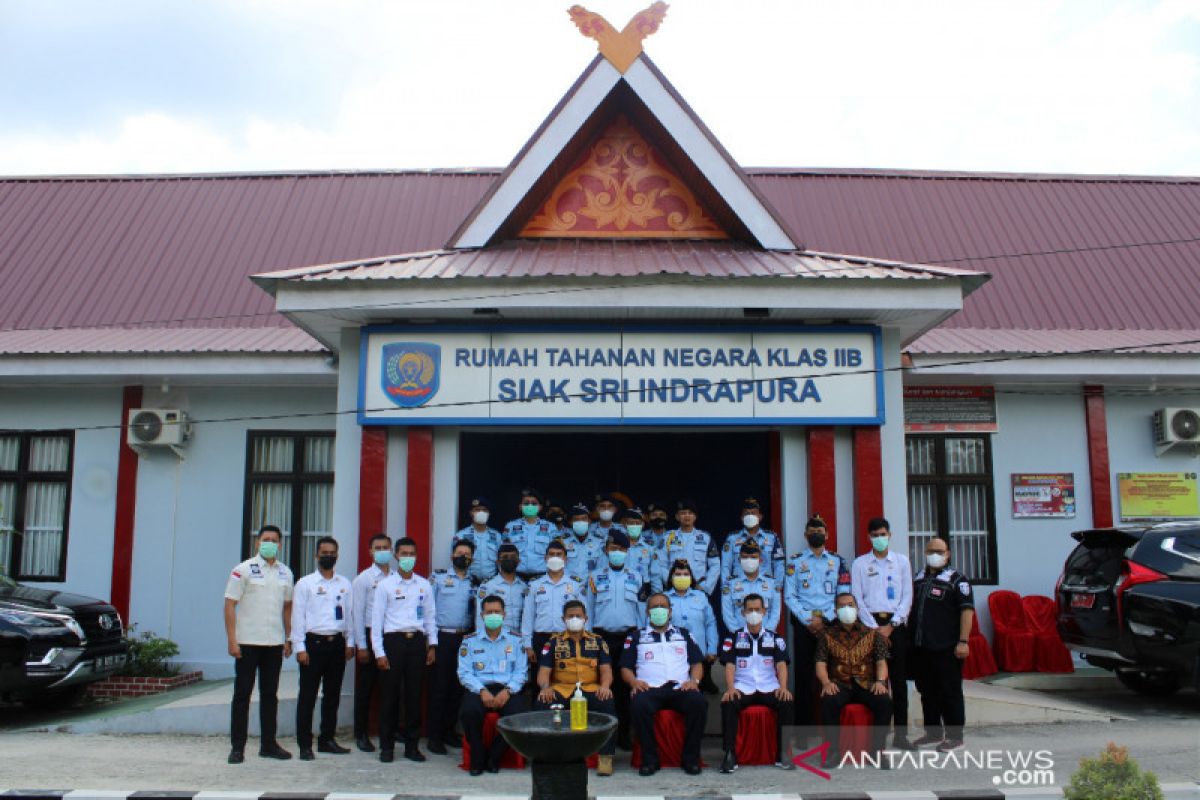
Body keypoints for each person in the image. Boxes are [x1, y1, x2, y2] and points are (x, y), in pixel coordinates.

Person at [223, 524, 294, 764]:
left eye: (274, 540)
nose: (270, 543)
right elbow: (230, 605)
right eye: (266, 539)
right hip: (247, 643)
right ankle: (237, 748)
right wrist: (232, 640)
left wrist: (289, 637)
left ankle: (268, 744)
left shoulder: (286, 573)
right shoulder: (242, 570)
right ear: (257, 542)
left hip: (273, 643)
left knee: (270, 695)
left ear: (280, 545)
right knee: (242, 695)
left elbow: (287, 608)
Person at [620, 593, 708, 776]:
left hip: (680, 688)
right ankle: (650, 760)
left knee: (699, 702)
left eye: (663, 606)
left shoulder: (683, 634)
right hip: (649, 689)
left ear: (670, 611)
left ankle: (691, 760)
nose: (659, 609)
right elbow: (625, 668)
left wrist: (694, 681)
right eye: (654, 606)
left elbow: (697, 663)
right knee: (638, 704)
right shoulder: (636, 637)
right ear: (647, 612)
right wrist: (634, 682)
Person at [371, 537, 437, 763]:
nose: (408, 558)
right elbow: (376, 621)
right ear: (396, 556)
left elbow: (430, 617)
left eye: (412, 554)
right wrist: (379, 652)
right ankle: (387, 747)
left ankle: (412, 747)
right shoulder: (385, 585)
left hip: (417, 643)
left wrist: (432, 645)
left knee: (414, 697)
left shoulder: (423, 584)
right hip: (393, 643)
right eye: (404, 554)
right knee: (390, 698)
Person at [850, 517, 914, 749]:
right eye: (875, 535)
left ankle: (901, 735)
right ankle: (877, 736)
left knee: (898, 682)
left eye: (883, 534)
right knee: (875, 682)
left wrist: (892, 625)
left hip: (895, 626)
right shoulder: (859, 564)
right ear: (869, 537)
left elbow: (907, 595)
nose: (879, 538)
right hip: (869, 627)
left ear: (890, 535)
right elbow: (856, 598)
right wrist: (874, 629)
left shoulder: (901, 562)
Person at [535, 600, 618, 776]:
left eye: (578, 616)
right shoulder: (554, 642)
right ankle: (547, 757)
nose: (574, 619)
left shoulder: (597, 641)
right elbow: (543, 671)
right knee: (543, 701)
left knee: (607, 702)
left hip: (590, 688)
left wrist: (605, 686)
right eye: (570, 616)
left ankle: (605, 757)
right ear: (563, 619)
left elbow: (606, 670)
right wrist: (545, 687)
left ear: (586, 618)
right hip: (562, 688)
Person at [290, 536, 354, 760]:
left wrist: (350, 643)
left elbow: (350, 616)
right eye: (324, 553)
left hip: (336, 644)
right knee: (307, 697)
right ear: (316, 556)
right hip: (313, 645)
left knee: (332, 696)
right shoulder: (305, 584)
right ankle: (304, 744)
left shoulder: (344, 584)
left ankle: (327, 739)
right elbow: (297, 617)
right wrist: (299, 647)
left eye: (332, 553)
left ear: (337, 555)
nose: (328, 556)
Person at [909, 537, 974, 752]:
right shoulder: (918, 577)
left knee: (950, 691)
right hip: (922, 647)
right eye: (930, 551)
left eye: (938, 551)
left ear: (948, 554)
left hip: (947, 647)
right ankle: (933, 732)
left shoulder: (957, 580)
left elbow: (967, 611)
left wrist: (963, 641)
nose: (934, 554)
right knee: (927, 691)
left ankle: (955, 736)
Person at [718, 594, 795, 774]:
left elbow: (782, 665)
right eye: (750, 610)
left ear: (764, 612)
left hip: (769, 687)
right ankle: (729, 754)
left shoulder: (776, 638)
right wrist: (730, 688)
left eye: (757, 610)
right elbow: (729, 666)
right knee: (728, 703)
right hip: (742, 687)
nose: (754, 613)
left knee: (787, 702)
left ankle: (783, 753)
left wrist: (783, 688)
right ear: (743, 612)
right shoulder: (733, 637)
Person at [783, 515, 848, 726]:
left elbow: (843, 593)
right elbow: (789, 596)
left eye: (820, 530)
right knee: (803, 677)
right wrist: (808, 620)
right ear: (805, 535)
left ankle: (829, 728)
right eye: (812, 530)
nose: (816, 533)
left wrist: (825, 618)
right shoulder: (795, 561)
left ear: (827, 535)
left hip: (830, 624)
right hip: (805, 626)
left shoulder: (838, 561)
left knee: (832, 675)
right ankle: (804, 728)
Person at [815, 592, 893, 767]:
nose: (846, 609)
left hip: (866, 683)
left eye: (850, 605)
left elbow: (881, 662)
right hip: (839, 684)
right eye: (842, 606)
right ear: (836, 611)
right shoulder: (826, 635)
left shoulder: (872, 634)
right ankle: (834, 752)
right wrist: (826, 683)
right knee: (829, 701)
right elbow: (820, 663)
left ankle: (877, 751)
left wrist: (880, 682)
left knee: (884, 702)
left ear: (857, 608)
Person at [588, 529, 649, 752]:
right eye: (613, 549)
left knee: (625, 688)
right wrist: (589, 637)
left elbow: (641, 610)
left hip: (628, 637)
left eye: (622, 549)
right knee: (603, 687)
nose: (617, 553)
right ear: (606, 550)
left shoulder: (636, 576)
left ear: (627, 551)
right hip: (601, 637)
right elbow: (588, 608)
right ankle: (602, 735)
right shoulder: (595, 577)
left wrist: (641, 637)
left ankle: (624, 734)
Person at [458, 595, 529, 776]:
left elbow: (522, 672)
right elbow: (464, 673)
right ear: (481, 615)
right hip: (479, 688)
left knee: (519, 715)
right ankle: (478, 756)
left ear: (504, 614)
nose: (493, 615)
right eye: (489, 612)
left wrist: (508, 691)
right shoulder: (470, 641)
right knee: (469, 712)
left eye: (497, 612)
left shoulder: (516, 640)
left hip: (507, 688)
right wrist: (482, 691)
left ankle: (494, 756)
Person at [427, 538, 477, 755]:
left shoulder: (475, 582)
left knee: (457, 689)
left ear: (472, 558)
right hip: (442, 638)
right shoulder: (437, 578)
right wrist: (430, 643)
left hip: (464, 639)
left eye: (467, 554)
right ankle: (434, 737)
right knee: (439, 689)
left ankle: (448, 731)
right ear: (451, 556)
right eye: (459, 553)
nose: (463, 557)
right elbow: (428, 611)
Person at [351, 532, 392, 752]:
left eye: (386, 547)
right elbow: (356, 613)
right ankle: (361, 734)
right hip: (368, 635)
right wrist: (362, 646)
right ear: (370, 551)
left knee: (391, 688)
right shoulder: (363, 579)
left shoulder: (396, 577)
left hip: (390, 636)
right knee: (366, 690)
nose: (383, 551)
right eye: (378, 548)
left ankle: (391, 731)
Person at [522, 540, 590, 665]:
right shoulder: (535, 584)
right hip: (541, 639)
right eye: (552, 554)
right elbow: (528, 616)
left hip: (568, 638)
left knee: (567, 678)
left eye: (559, 554)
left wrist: (585, 640)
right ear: (545, 558)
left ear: (566, 559)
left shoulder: (576, 584)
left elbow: (584, 614)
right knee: (541, 677)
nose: (555, 557)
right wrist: (527, 644)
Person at [664, 560, 719, 690]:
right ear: (671, 578)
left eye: (685, 574)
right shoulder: (663, 598)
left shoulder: (701, 597)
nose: (682, 577)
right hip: (672, 655)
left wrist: (712, 649)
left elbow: (710, 623)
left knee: (697, 693)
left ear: (691, 577)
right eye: (678, 574)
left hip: (698, 654)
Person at [658, 499, 720, 595]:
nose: (687, 516)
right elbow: (661, 564)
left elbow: (715, 565)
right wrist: (671, 583)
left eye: (690, 513)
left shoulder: (706, 538)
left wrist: (706, 586)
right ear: (677, 517)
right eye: (683, 513)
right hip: (673, 590)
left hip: (698, 589)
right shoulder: (668, 537)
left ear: (695, 516)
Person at [721, 542, 781, 634]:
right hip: (739, 637)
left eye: (753, 557)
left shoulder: (772, 583)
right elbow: (727, 614)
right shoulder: (730, 584)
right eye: (745, 557)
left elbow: (775, 612)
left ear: (760, 560)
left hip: (766, 637)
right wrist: (738, 634)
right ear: (739, 559)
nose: (749, 560)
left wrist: (766, 633)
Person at [721, 497, 785, 582]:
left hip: (765, 588)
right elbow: (725, 565)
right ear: (741, 517)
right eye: (747, 514)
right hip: (738, 588)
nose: (750, 516)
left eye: (753, 513)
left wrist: (777, 586)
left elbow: (779, 564)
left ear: (760, 517)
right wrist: (726, 588)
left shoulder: (772, 537)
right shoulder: (732, 538)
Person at [476, 543, 528, 636]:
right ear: (498, 562)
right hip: (496, 636)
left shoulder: (524, 586)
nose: (509, 559)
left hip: (519, 637)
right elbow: (480, 616)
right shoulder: (488, 585)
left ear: (519, 561)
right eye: (505, 557)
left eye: (513, 557)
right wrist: (481, 637)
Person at [504, 488, 557, 580]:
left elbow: (556, 554)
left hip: (542, 577)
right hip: (516, 577)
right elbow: (503, 553)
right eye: (526, 503)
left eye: (534, 503)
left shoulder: (551, 527)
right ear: (520, 506)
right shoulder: (510, 526)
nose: (530, 505)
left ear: (540, 507)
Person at [453, 496, 503, 583]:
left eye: (484, 510)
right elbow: (455, 562)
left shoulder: (497, 536)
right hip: (467, 582)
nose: (481, 512)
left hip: (492, 582)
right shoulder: (461, 536)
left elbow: (501, 562)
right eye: (477, 510)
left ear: (489, 513)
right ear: (471, 513)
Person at [622, 507, 660, 591]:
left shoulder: (650, 547)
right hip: (621, 589)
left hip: (642, 592)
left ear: (642, 525)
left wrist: (656, 595)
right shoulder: (618, 545)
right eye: (631, 523)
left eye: (638, 523)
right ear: (625, 524)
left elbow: (655, 575)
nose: (635, 525)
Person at [564, 502, 606, 577]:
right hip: (569, 586)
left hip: (591, 585)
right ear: (570, 522)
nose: (580, 522)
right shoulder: (563, 543)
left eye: (584, 519)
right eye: (576, 520)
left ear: (589, 521)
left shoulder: (599, 543)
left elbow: (601, 568)